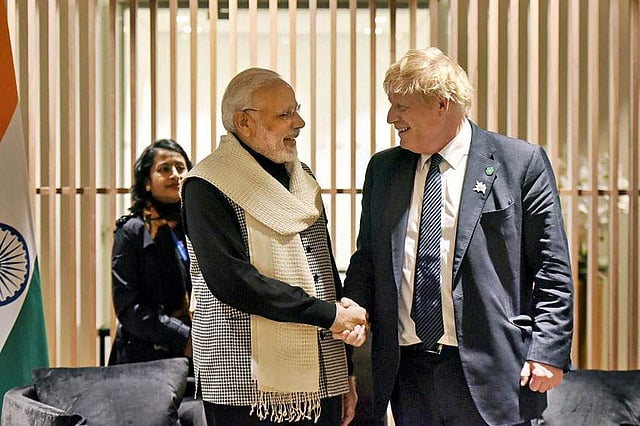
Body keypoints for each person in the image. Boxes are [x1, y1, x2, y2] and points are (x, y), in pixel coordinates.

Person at [342, 47, 574, 426]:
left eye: (401, 107)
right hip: (409, 371)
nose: (391, 117)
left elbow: (552, 268)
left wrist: (548, 350)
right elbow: (367, 257)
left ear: (441, 104)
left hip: (493, 369)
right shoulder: (383, 169)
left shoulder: (519, 162)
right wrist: (354, 303)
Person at [181, 67, 367, 426]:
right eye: (285, 115)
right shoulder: (207, 184)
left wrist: (344, 370)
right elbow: (233, 281)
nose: (299, 123)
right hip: (244, 381)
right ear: (244, 122)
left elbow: (324, 272)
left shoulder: (302, 176)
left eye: (297, 111)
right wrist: (329, 316)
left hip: (323, 373)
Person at [109, 139, 194, 367]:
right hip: (146, 359)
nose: (175, 175)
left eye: (180, 168)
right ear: (147, 182)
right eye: (164, 169)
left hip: (200, 354)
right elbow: (128, 307)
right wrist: (183, 337)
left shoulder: (197, 227)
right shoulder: (132, 231)